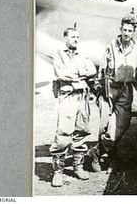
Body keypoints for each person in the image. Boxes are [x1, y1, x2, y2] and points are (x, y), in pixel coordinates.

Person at [87, 16, 137, 173]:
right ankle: (111, 158)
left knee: (121, 125)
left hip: (125, 90)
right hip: (109, 88)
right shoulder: (111, 46)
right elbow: (102, 69)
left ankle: (95, 152)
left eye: (130, 31)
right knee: (104, 125)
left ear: (133, 32)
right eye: (124, 30)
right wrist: (99, 90)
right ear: (120, 29)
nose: (126, 33)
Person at [49, 27, 97, 187]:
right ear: (65, 38)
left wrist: (75, 73)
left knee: (81, 132)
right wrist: (79, 73)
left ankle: (78, 166)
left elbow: (92, 70)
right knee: (63, 135)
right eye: (73, 37)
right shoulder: (58, 54)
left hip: (82, 96)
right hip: (67, 96)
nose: (76, 39)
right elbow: (62, 74)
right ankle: (58, 172)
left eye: (78, 37)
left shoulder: (82, 54)